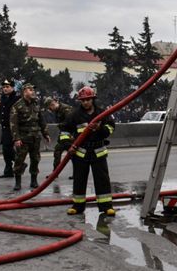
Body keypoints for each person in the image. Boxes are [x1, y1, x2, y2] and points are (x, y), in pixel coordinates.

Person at [63, 86, 116, 216]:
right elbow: (64, 132)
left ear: (93, 99)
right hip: (81, 152)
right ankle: (77, 206)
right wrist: (68, 145)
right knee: (79, 179)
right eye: (83, 100)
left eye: (88, 99)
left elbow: (110, 129)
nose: (85, 102)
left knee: (102, 180)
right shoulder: (74, 115)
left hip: (98, 152)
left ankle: (106, 206)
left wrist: (100, 128)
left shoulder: (102, 114)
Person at [10, 83, 50, 190]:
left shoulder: (36, 104)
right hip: (23, 138)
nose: (33, 91)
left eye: (33, 90)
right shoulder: (17, 106)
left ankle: (34, 180)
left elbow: (42, 120)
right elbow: (14, 124)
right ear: (24, 92)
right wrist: (16, 138)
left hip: (35, 137)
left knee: (35, 159)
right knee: (19, 160)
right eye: (30, 89)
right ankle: (18, 182)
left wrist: (45, 133)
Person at [0, 79, 19, 178]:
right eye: (4, 87)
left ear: (12, 88)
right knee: (6, 150)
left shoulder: (16, 98)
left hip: (13, 128)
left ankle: (19, 163)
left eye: (7, 87)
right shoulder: (4, 98)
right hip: (5, 128)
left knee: (7, 148)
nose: (5, 89)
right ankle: (9, 170)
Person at [45, 97, 73, 172]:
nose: (51, 108)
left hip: (71, 136)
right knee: (57, 152)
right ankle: (55, 173)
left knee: (73, 155)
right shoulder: (57, 111)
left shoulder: (66, 109)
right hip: (64, 136)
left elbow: (70, 122)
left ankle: (76, 173)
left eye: (51, 105)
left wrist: (61, 125)